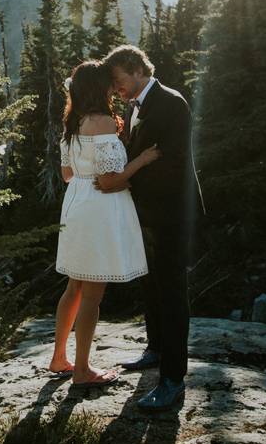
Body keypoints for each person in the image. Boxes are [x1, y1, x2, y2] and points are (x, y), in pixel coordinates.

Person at [99, 45, 204, 411]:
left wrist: (126, 181)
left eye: (118, 80)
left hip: (172, 212)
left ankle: (173, 379)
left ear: (135, 69)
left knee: (172, 291)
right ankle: (156, 348)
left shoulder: (171, 102)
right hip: (145, 213)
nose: (116, 89)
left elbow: (172, 161)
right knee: (150, 281)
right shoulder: (136, 107)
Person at [48, 60, 161, 388]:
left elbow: (68, 175)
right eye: (108, 83)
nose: (114, 87)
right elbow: (110, 180)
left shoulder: (72, 123)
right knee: (93, 295)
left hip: (76, 205)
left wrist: (98, 177)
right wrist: (139, 162)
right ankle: (82, 371)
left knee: (74, 287)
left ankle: (59, 358)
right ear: (99, 88)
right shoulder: (103, 123)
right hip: (98, 211)